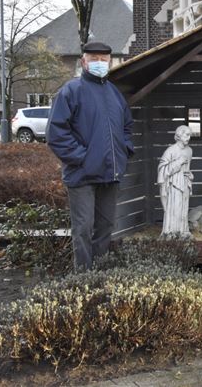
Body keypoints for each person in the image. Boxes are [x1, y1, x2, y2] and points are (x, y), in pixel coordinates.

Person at [47, 41, 134, 270]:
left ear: (109, 62)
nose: (99, 63)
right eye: (94, 58)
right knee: (83, 229)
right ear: (84, 61)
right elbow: (56, 133)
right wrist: (81, 158)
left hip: (110, 174)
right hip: (82, 175)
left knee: (105, 227)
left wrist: (124, 151)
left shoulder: (114, 93)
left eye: (104, 59)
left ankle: (99, 274)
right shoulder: (71, 91)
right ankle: (84, 278)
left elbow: (127, 126)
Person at [158, 125, 194, 237]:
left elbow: (187, 169)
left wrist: (190, 175)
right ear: (179, 135)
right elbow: (161, 169)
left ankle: (183, 231)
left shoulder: (189, 151)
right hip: (173, 185)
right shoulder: (171, 150)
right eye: (186, 135)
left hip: (185, 183)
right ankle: (171, 232)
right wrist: (178, 162)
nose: (189, 137)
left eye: (190, 135)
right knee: (175, 208)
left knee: (184, 209)